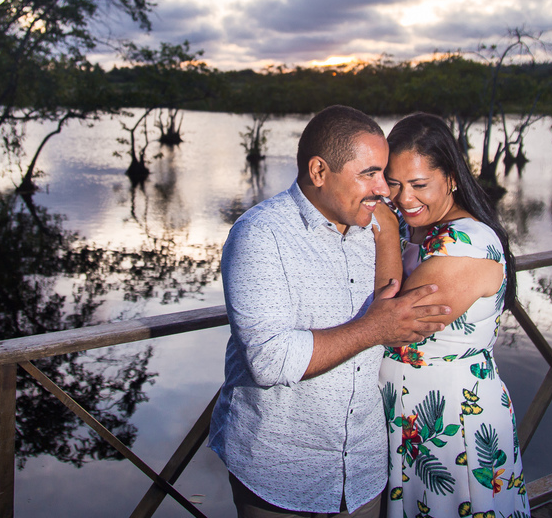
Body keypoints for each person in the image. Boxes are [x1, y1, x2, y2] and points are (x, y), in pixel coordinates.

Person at [209, 105, 452, 518]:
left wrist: (388, 231)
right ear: (319, 172)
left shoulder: (373, 225)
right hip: (279, 472)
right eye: (370, 174)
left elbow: (391, 317)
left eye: (384, 174)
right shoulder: (260, 235)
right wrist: (373, 328)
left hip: (364, 468)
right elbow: (270, 360)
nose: (385, 190)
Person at [377, 113, 530, 518]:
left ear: (452, 178)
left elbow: (392, 323)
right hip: (411, 421)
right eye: (394, 183)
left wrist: (386, 231)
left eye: (419, 185)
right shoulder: (420, 230)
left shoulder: (466, 243)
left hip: (451, 420)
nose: (404, 198)